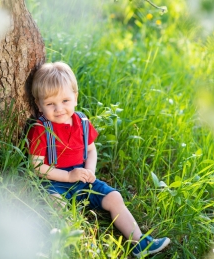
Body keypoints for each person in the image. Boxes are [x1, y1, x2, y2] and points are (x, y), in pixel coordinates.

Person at [27, 61, 170, 257]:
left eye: (65, 101)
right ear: (39, 105)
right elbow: (36, 166)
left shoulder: (83, 123)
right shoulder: (41, 129)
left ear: (75, 97)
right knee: (57, 205)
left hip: (83, 176)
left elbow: (91, 150)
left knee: (114, 197)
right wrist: (69, 177)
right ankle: (74, 245)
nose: (59, 108)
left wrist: (90, 171)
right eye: (50, 104)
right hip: (55, 181)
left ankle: (139, 241)